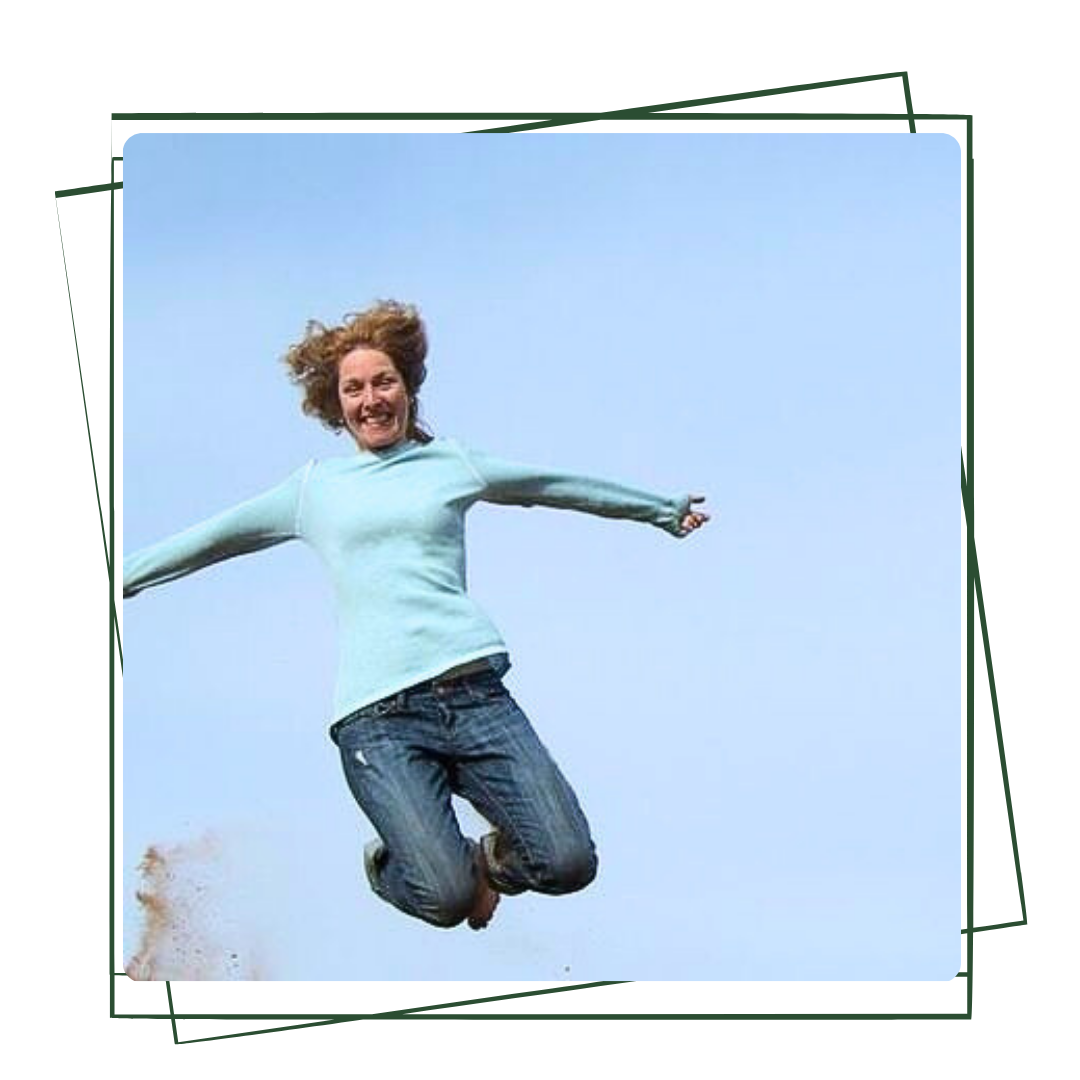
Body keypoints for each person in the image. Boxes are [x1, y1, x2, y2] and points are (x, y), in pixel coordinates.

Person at [123, 300, 710, 932]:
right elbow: (211, 538)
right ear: (336, 404)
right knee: (447, 899)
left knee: (568, 862)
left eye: (384, 382)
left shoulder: (451, 464)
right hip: (378, 721)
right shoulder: (314, 490)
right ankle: (392, 863)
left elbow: (552, 486)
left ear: (407, 389)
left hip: (474, 696)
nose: (371, 399)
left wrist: (659, 509)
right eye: (353, 389)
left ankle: (491, 861)